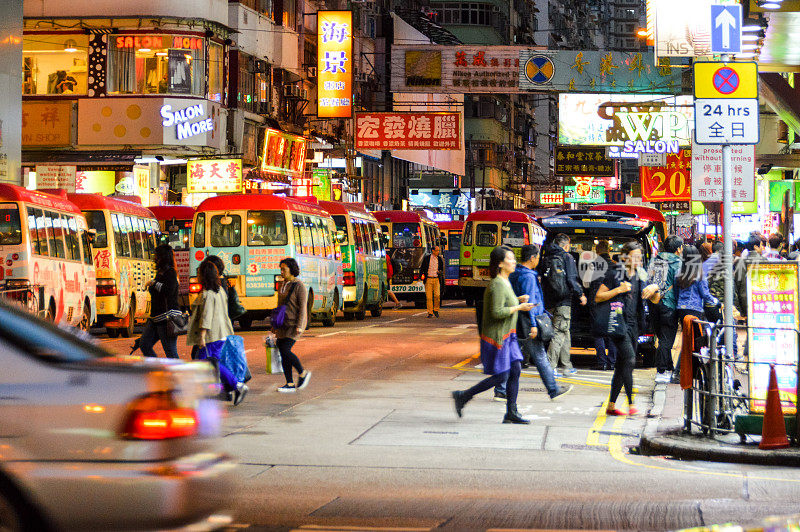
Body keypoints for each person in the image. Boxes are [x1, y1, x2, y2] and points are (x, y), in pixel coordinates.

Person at [452, 246, 535, 424]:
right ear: (500, 264)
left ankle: (511, 412)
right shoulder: (497, 283)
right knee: (502, 376)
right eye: (510, 259)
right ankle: (463, 396)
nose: (514, 262)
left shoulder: (505, 281)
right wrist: (519, 307)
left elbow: (505, 303)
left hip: (508, 336)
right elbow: (497, 312)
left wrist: (518, 299)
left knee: (516, 370)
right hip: (498, 337)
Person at [595, 242, 661, 416]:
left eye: (640, 256)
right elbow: (599, 297)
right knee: (630, 360)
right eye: (635, 256)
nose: (639, 259)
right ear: (625, 257)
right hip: (618, 324)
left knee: (621, 365)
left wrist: (654, 289)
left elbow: (655, 300)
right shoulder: (614, 273)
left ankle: (611, 405)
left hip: (634, 326)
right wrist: (619, 289)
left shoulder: (641, 274)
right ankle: (631, 404)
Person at [505, 244, 573, 401]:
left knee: (513, 358)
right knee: (540, 356)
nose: (539, 260)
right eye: (537, 257)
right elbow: (530, 301)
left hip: (517, 320)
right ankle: (553, 389)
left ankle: (501, 389)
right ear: (532, 258)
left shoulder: (516, 273)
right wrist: (534, 324)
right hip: (528, 322)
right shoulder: (528, 276)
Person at [187, 259, 248, 405]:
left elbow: (206, 317)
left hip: (211, 336)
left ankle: (237, 385)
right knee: (210, 363)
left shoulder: (208, 294)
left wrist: (202, 336)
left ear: (204, 276)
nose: (197, 276)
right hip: (221, 334)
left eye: (199, 273)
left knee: (207, 363)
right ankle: (212, 391)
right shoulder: (219, 290)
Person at [542, 233, 586, 377]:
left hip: (549, 301)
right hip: (564, 301)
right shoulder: (567, 257)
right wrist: (581, 294)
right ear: (566, 245)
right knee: (559, 333)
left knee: (564, 332)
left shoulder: (546, 257)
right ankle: (550, 366)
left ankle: (567, 366)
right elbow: (572, 280)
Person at [648, 235, 683, 384]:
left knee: (662, 337)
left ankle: (668, 367)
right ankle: (661, 370)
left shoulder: (655, 260)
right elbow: (680, 285)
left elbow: (649, 279)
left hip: (655, 302)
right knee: (666, 339)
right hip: (670, 304)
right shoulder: (678, 263)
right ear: (678, 249)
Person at [272, 257, 311, 393]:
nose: (281, 272)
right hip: (282, 324)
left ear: (291, 269)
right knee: (283, 352)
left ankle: (302, 372)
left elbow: (303, 307)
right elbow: (279, 305)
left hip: (294, 324)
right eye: (281, 269)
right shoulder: (282, 284)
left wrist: (300, 325)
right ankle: (289, 383)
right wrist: (274, 324)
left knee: (285, 350)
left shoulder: (299, 286)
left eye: (284, 269)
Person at [139, 244, 182, 359]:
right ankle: (156, 369)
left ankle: (178, 375)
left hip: (167, 319)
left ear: (163, 257)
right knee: (144, 345)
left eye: (157, 255)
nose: (155, 258)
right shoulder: (161, 273)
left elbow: (168, 290)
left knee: (171, 353)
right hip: (156, 319)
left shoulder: (171, 272)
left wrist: (153, 283)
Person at [588, 241, 618, 371]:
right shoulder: (615, 266)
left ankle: (602, 362)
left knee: (599, 333)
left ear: (597, 250)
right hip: (611, 300)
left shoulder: (593, 265)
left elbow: (587, 283)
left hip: (596, 301)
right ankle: (612, 362)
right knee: (611, 331)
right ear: (609, 250)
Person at [420, 245, 444, 318]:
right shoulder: (427, 258)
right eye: (437, 250)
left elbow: (441, 269)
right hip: (428, 279)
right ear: (433, 251)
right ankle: (430, 312)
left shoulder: (439, 259)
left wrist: (440, 272)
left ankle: (436, 309)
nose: (438, 252)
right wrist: (422, 276)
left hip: (436, 279)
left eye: (438, 250)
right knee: (429, 297)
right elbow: (422, 268)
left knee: (437, 295)